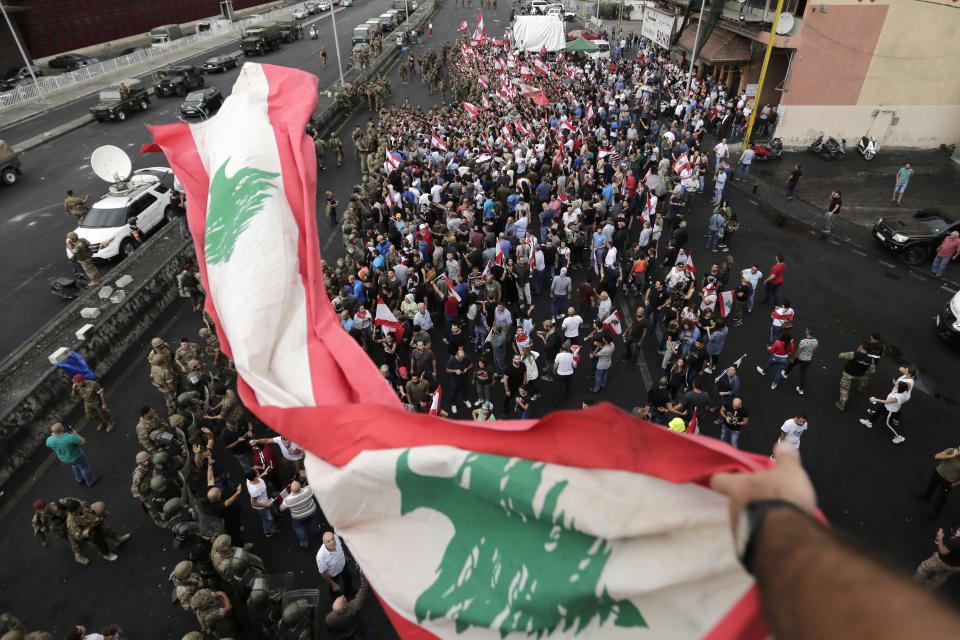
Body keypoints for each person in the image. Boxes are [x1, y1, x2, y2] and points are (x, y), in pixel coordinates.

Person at [710, 442, 960, 640]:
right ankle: (923, 593)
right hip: (942, 494)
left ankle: (920, 590)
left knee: (926, 572)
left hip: (942, 557)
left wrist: (776, 520)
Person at [45, 422, 97, 487]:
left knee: (75, 466)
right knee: (84, 468)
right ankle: (90, 482)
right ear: (62, 428)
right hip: (77, 457)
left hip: (65, 459)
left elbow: (49, 443)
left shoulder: (49, 440)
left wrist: (54, 435)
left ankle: (79, 479)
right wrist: (76, 434)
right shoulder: (70, 437)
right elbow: (83, 442)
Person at [325, 566, 369, 638]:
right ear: (345, 606)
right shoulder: (355, 606)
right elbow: (363, 590)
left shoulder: (329, 618)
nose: (342, 596)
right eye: (342, 598)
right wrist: (363, 576)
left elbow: (329, 628)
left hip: (344, 634)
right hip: (357, 625)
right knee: (366, 632)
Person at [917, 446, 960, 519]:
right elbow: (936, 456)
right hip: (937, 473)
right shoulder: (951, 450)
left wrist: (954, 484)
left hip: (948, 482)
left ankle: (935, 514)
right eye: (959, 449)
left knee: (941, 499)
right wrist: (951, 455)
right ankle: (926, 497)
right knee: (931, 487)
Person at [915, 524, 960, 589]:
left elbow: (943, 551)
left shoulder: (957, 541)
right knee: (939, 579)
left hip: (941, 561)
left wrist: (940, 538)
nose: (957, 530)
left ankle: (913, 586)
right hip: (956, 566)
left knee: (923, 569)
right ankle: (925, 592)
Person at [280, 481, 321, 549]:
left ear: (290, 489)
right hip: (311, 511)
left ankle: (305, 544)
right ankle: (315, 532)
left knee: (299, 528)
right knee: (313, 522)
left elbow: (281, 509)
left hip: (298, 517)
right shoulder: (309, 489)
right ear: (301, 485)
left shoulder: (287, 500)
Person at [835, 342, 873, 411]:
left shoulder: (854, 354)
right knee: (855, 381)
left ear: (861, 347)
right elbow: (872, 370)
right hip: (858, 376)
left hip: (847, 375)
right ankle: (859, 388)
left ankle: (841, 405)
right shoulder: (870, 359)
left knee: (844, 390)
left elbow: (840, 355)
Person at [783, 327, 818, 395]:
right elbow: (814, 350)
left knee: (791, 364)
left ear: (807, 332)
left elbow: (798, 351)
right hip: (808, 360)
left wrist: (793, 358)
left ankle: (785, 374)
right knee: (803, 374)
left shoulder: (803, 341)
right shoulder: (816, 341)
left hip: (800, 358)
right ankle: (801, 390)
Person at [316, 531, 352, 597]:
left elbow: (341, 549)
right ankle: (336, 601)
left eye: (332, 539)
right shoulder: (321, 556)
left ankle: (349, 593)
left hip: (343, 565)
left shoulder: (336, 538)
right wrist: (333, 584)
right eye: (328, 541)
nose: (332, 542)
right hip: (333, 574)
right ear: (324, 543)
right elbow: (323, 573)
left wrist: (345, 556)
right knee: (334, 591)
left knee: (349, 577)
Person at [245, 468, 278, 537]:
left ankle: (275, 513)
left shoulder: (249, 479)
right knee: (268, 518)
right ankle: (269, 531)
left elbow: (256, 479)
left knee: (269, 513)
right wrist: (266, 505)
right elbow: (253, 503)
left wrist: (263, 474)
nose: (258, 472)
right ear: (255, 477)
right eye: (257, 473)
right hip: (262, 506)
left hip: (265, 500)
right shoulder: (255, 490)